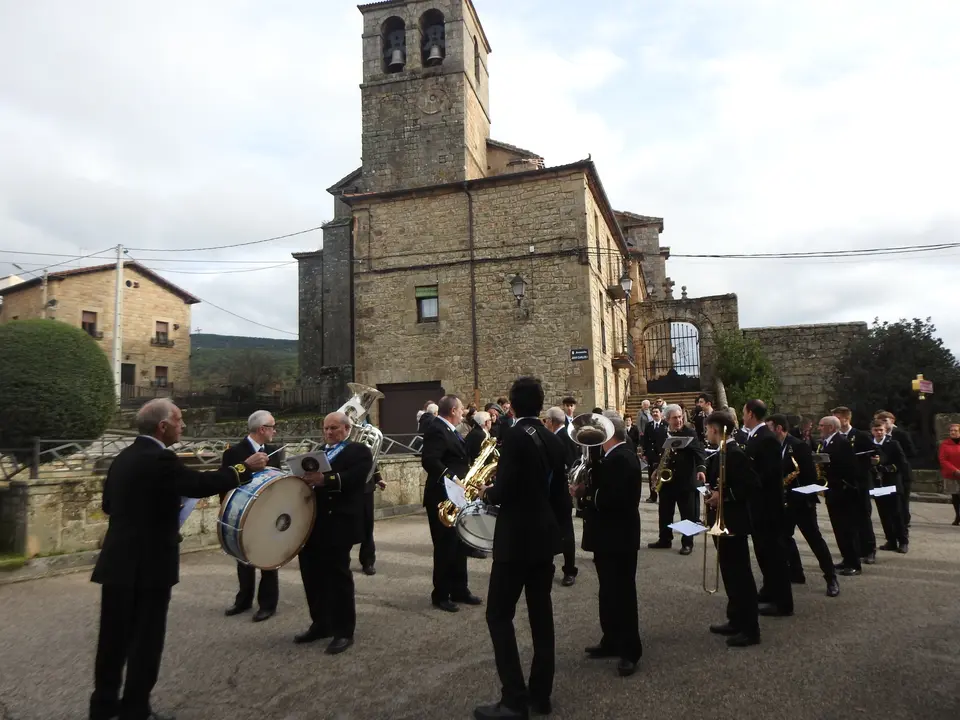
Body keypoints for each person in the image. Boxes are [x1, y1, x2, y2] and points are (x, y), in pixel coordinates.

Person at [89, 399, 268, 720]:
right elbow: (199, 485)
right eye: (179, 420)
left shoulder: (123, 457)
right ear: (163, 426)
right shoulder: (161, 458)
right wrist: (243, 468)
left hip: (116, 563)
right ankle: (135, 709)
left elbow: (108, 505)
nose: (183, 426)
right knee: (146, 640)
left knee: (112, 640)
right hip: (150, 565)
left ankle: (102, 707)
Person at [473, 378, 570, 720]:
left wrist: (488, 491)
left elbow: (505, 490)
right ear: (541, 405)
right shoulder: (553, 438)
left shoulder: (512, 436)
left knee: (498, 615)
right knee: (541, 617)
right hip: (545, 537)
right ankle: (540, 696)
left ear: (512, 406)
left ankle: (514, 700)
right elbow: (560, 497)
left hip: (516, 539)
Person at [294, 411, 373, 654]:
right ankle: (320, 623)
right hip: (313, 523)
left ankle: (343, 631)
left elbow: (355, 478)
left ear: (347, 429)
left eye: (334, 428)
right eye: (326, 428)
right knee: (311, 574)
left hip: (339, 522)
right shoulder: (318, 451)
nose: (329, 433)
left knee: (337, 577)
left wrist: (325, 480)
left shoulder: (358, 450)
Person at [574, 414, 643, 676]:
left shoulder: (622, 457)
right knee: (608, 591)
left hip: (618, 536)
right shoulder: (611, 456)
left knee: (622, 594)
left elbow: (619, 498)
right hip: (608, 536)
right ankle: (611, 639)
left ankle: (630, 651)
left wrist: (586, 494)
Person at [703, 410, 762, 648]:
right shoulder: (722, 452)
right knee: (729, 573)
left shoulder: (735, 453)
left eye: (708, 429)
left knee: (741, 577)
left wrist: (723, 496)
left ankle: (750, 629)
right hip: (723, 523)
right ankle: (735, 618)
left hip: (734, 524)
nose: (706, 433)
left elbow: (752, 486)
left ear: (715, 430)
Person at [767, 414, 840, 598]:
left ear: (778, 428)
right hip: (784, 502)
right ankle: (797, 572)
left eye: (769, 427)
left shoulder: (798, 446)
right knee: (785, 537)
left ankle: (831, 577)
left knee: (814, 539)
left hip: (802, 502)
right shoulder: (774, 446)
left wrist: (795, 489)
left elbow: (810, 477)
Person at [421, 395, 482, 612]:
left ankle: (460, 589)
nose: (464, 411)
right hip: (441, 497)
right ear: (454, 410)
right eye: (462, 408)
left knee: (459, 544)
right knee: (445, 546)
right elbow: (429, 460)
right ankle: (441, 594)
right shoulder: (437, 428)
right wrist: (453, 478)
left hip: (456, 495)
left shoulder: (449, 430)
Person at [221, 409, 281, 622]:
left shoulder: (274, 451)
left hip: (269, 511)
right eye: (273, 427)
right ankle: (243, 600)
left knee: (269, 558)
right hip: (243, 513)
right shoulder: (234, 452)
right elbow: (225, 484)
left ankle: (267, 604)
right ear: (262, 429)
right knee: (243, 557)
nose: (275, 430)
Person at [741, 400, 794, 617]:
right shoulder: (755, 436)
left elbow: (768, 475)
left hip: (768, 508)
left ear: (751, 413)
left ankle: (783, 603)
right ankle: (770, 590)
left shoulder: (766, 439)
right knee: (763, 553)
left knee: (774, 556)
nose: (743, 416)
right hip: (758, 506)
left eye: (744, 412)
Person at [648, 404, 705, 555]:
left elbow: (699, 452)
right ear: (667, 419)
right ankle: (664, 539)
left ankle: (688, 543)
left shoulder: (689, 432)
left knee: (687, 514)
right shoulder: (661, 433)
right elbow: (658, 452)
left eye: (680, 417)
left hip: (685, 480)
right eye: (675, 418)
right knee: (665, 512)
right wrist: (656, 469)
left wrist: (701, 469)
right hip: (667, 481)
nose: (679, 420)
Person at [818, 416, 864, 576]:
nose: (819, 428)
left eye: (822, 425)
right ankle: (846, 558)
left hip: (844, 492)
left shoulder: (841, 442)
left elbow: (849, 468)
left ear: (831, 427)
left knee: (847, 529)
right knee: (838, 528)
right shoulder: (827, 442)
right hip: (833, 491)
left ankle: (854, 563)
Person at [833, 406, 877, 565]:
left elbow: (875, 452)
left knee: (863, 517)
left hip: (860, 483)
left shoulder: (860, 435)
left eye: (837, 418)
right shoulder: (835, 438)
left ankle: (870, 549)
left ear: (846, 419)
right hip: (844, 485)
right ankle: (853, 552)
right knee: (848, 522)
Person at [544, 406, 578, 587]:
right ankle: (556, 568)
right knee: (557, 531)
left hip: (560, 491)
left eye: (546, 420)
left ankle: (570, 570)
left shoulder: (561, 437)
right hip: (556, 491)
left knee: (565, 532)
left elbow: (571, 464)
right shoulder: (565, 435)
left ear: (551, 421)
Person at [869, 420, 909, 553]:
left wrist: (886, 468)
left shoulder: (893, 444)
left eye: (881, 430)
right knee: (884, 514)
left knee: (897, 513)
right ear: (872, 431)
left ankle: (903, 541)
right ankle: (891, 540)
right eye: (876, 430)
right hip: (878, 484)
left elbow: (902, 463)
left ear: (885, 430)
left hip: (892, 483)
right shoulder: (870, 445)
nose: (878, 432)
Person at [875, 410, 916, 526]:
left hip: (901, 473)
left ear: (892, 421)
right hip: (885, 474)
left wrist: (897, 458)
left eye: (884, 420)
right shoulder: (877, 435)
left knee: (902, 501)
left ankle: (904, 523)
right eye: (879, 421)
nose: (881, 423)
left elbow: (911, 452)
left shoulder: (901, 434)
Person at [641, 406, 666, 503]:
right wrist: (644, 453)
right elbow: (645, 440)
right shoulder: (649, 425)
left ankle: (663, 496)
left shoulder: (665, 425)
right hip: (651, 455)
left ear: (661, 413)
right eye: (653, 412)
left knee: (661, 476)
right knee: (651, 476)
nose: (655, 414)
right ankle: (653, 496)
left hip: (662, 455)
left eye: (657, 412)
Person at [938, 423, 960, 525]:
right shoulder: (945, 444)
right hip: (952, 474)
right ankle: (958, 515)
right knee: (955, 496)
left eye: (955, 430)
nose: (953, 432)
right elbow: (943, 460)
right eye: (951, 430)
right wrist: (955, 470)